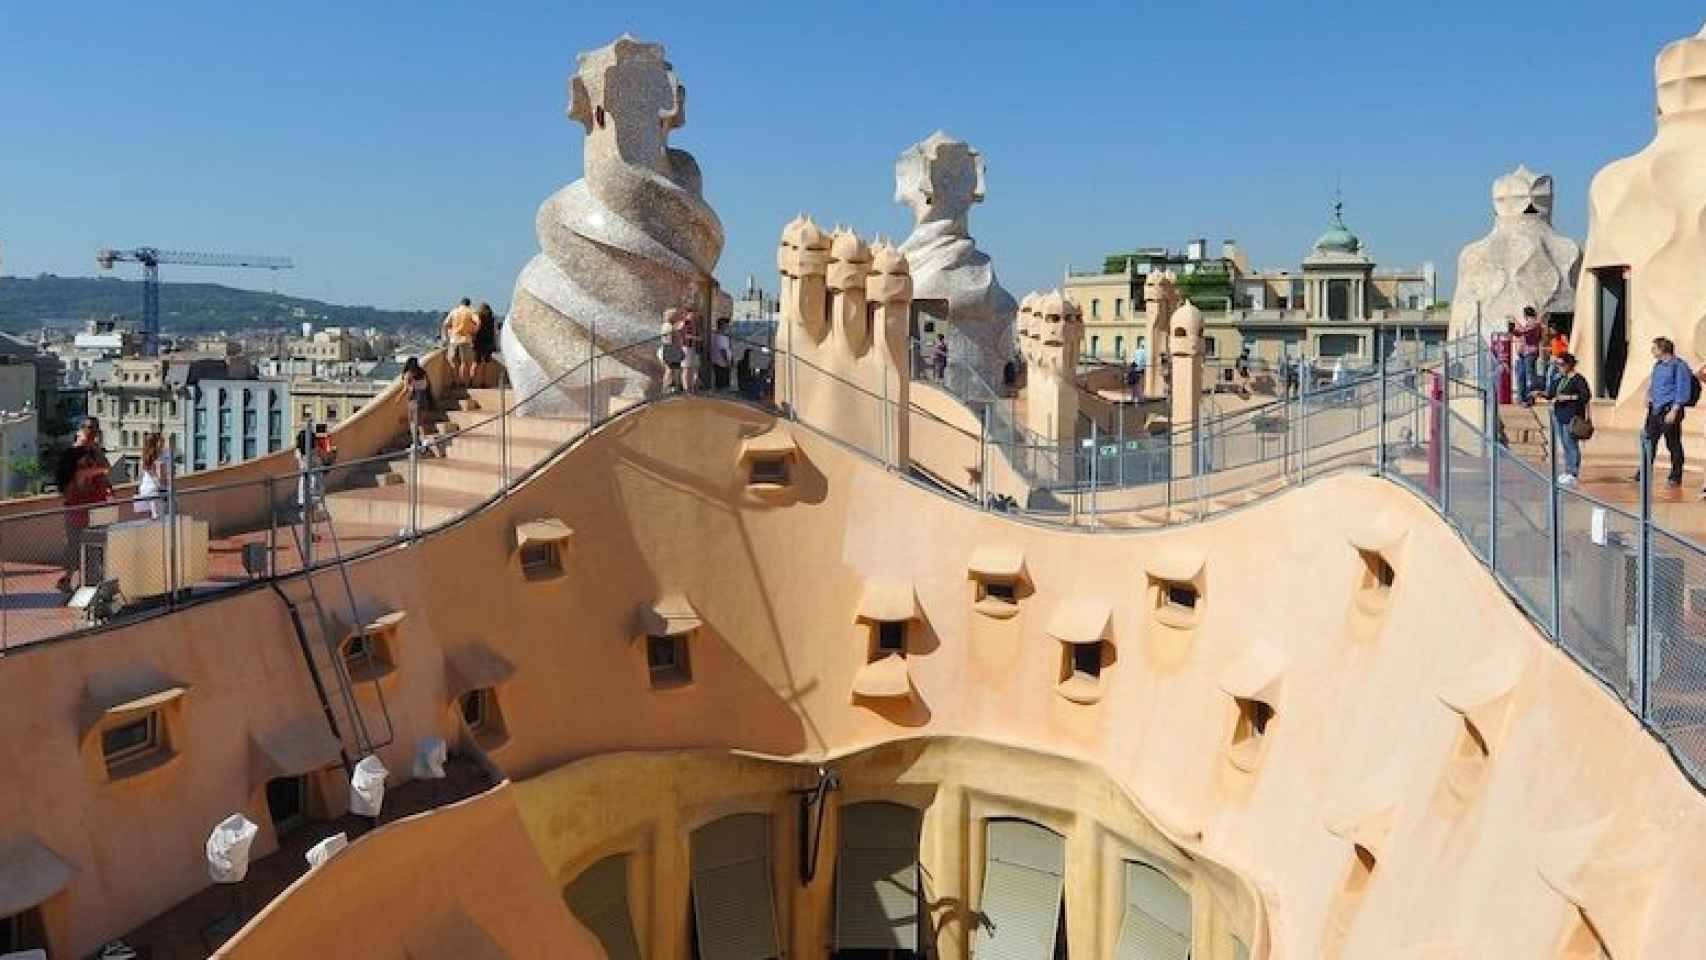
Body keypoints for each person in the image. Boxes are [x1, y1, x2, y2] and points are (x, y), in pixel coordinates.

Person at [54, 444, 112, 593]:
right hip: (81, 517)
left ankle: (77, 582)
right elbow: (105, 468)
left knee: (83, 551)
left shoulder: (82, 474)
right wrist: (96, 455)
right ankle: (80, 583)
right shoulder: (79, 473)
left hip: (85, 516)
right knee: (82, 551)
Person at [1637, 336, 1692, 486]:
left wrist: (1674, 410)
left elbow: (1683, 390)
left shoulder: (1679, 366)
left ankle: (1675, 476)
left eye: (1654, 348)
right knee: (1649, 441)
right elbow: (1653, 383)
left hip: (1669, 410)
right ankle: (1643, 473)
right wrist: (1648, 395)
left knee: (1673, 444)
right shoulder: (1658, 365)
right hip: (1654, 410)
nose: (1652, 351)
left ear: (1663, 349)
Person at [1548, 352, 1591, 485]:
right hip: (1559, 415)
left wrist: (1569, 397)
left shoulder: (1578, 379)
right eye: (1557, 364)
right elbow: (1551, 393)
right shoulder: (1559, 378)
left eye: (1561, 364)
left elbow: (1585, 396)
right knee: (1564, 444)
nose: (1559, 367)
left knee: (1571, 444)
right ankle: (1567, 470)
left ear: (1569, 365)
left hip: (1572, 416)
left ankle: (1573, 472)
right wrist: (1540, 393)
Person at [441, 297, 481, 388]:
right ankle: (462, 382)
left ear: (460, 303)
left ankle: (455, 381)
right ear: (469, 304)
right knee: (464, 363)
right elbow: (478, 322)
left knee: (452, 361)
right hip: (466, 340)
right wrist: (474, 331)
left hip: (454, 339)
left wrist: (445, 337)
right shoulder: (470, 312)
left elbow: (445, 324)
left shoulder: (454, 311)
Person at [1512, 306, 1542, 405]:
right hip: (1524, 353)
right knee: (1523, 375)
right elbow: (1521, 333)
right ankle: (1523, 397)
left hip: (1530, 353)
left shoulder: (1534, 324)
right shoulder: (1530, 324)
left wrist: (1515, 327)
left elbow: (1523, 333)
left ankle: (1529, 398)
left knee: (1529, 376)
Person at [401, 357, 432, 450]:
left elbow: (406, 389)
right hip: (424, 399)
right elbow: (427, 385)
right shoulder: (423, 373)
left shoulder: (408, 374)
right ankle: (424, 441)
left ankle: (417, 442)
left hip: (414, 400)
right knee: (421, 422)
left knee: (413, 423)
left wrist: (398, 399)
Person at [137, 432, 168, 520]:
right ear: (155, 443)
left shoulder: (146, 455)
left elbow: (141, 475)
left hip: (147, 489)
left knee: (155, 517)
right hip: (154, 490)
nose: (163, 443)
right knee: (158, 518)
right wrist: (162, 486)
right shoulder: (155, 456)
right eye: (161, 441)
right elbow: (155, 474)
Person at [473, 302, 498, 375]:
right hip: (488, 342)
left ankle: (471, 381)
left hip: (478, 342)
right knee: (485, 364)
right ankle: (483, 382)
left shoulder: (478, 317)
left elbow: (474, 328)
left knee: (475, 363)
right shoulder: (492, 318)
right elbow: (495, 331)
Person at [710, 318, 733, 391]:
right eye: (726, 325)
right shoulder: (719, 336)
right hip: (721, 363)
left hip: (722, 362)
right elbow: (723, 351)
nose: (728, 327)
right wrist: (727, 362)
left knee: (723, 382)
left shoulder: (723, 335)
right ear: (722, 325)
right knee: (722, 383)